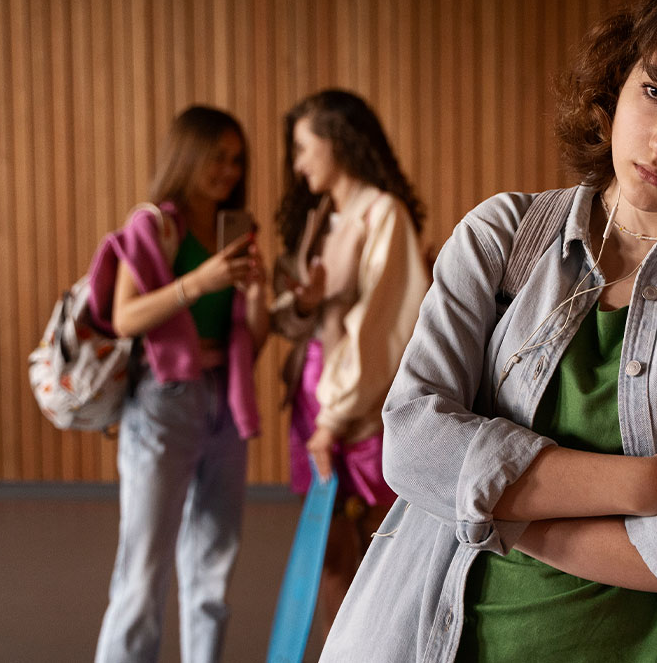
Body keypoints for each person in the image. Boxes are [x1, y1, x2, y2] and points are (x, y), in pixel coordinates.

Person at [319, 0, 657, 661]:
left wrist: (496, 514)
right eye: (656, 90)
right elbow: (411, 444)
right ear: (619, 80)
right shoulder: (503, 236)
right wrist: (638, 486)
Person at [90, 105, 270, 663]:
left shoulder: (234, 230)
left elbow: (253, 338)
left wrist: (259, 294)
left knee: (213, 571)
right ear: (187, 154)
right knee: (143, 573)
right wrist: (200, 281)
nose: (228, 170)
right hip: (163, 402)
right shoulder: (155, 226)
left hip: (223, 401)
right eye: (217, 156)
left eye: (236, 160)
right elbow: (124, 318)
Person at [270, 89, 432, 635]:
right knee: (330, 550)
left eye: (303, 147)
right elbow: (300, 318)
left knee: (381, 552)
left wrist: (335, 416)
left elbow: (381, 326)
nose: (297, 164)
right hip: (318, 393)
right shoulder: (325, 218)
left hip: (361, 404)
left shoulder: (381, 214)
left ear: (337, 142)